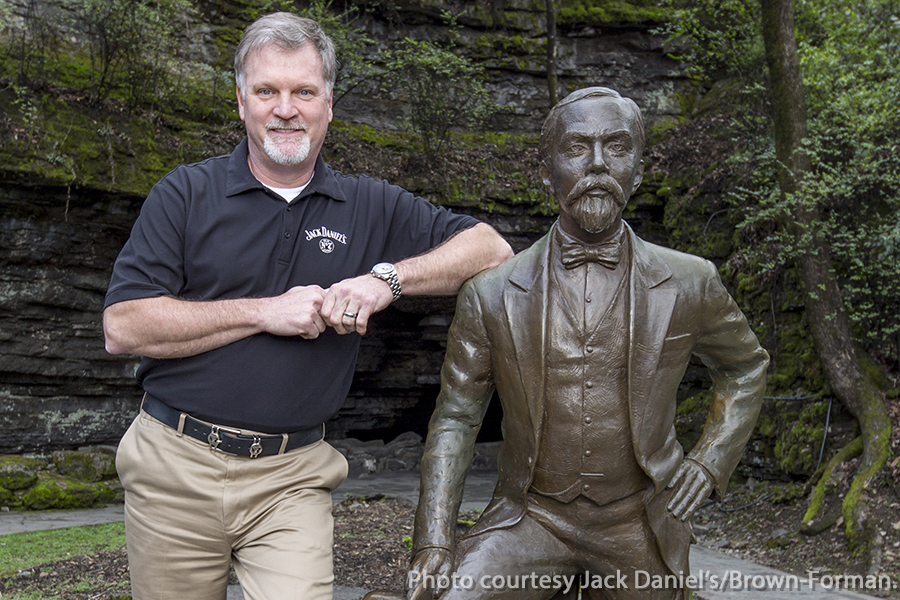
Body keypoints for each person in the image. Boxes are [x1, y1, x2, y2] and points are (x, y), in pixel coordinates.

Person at [102, 12, 512, 600]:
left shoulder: (369, 204)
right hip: (173, 466)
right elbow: (123, 327)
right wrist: (265, 311)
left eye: (303, 91)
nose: (285, 108)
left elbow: (492, 249)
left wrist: (386, 280)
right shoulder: (184, 195)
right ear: (241, 102)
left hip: (292, 476)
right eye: (267, 91)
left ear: (328, 105)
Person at [404, 88, 769, 600]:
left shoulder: (691, 282)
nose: (598, 165)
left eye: (617, 147)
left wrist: (710, 459)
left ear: (638, 169)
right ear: (548, 170)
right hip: (530, 519)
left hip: (637, 521)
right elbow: (457, 418)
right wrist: (434, 542)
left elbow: (746, 367)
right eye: (577, 148)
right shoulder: (490, 294)